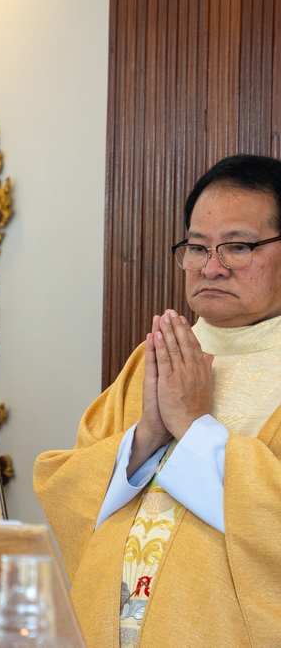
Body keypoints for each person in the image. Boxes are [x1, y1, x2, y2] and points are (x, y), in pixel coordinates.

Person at [34, 154, 281, 648]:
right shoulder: (157, 356)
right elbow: (70, 495)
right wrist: (146, 436)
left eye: (237, 247)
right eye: (197, 247)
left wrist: (193, 426)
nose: (211, 268)